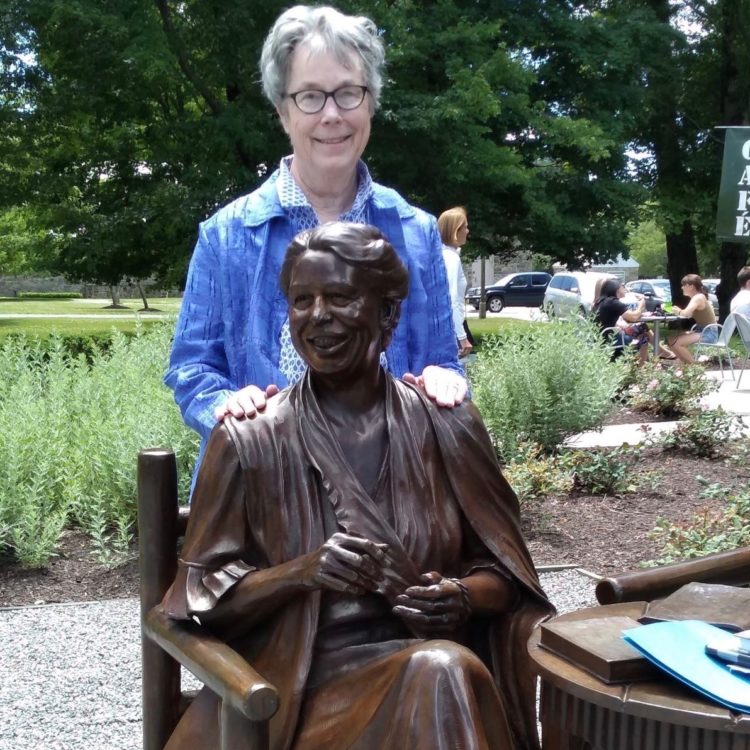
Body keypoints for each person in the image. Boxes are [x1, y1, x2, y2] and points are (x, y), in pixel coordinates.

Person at [160, 223, 554, 750]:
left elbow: (506, 577)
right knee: (441, 672)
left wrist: (460, 597)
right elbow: (196, 600)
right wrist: (302, 573)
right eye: (303, 300)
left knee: (440, 670)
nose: (318, 315)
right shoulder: (251, 437)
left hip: (433, 670)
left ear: (388, 314)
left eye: (341, 297)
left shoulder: (447, 426)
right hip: (296, 691)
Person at [164, 5, 466, 479]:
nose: (332, 115)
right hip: (263, 496)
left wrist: (444, 380)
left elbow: (442, 360)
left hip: (393, 490)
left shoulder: (415, 230)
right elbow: (191, 369)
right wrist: (224, 404)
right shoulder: (226, 235)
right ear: (283, 111)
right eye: (310, 96)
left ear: (370, 103)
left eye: (348, 93)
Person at [438, 207, 473, 358]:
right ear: (455, 230)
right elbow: (451, 300)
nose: (467, 231)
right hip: (449, 333)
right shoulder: (451, 258)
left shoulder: (444, 255)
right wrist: (462, 337)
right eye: (464, 227)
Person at [593, 279, 650, 362]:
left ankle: (663, 354)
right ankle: (642, 368)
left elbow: (628, 318)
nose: (625, 289)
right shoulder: (612, 302)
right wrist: (641, 305)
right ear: (617, 289)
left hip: (601, 338)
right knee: (644, 337)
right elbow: (633, 317)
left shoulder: (601, 301)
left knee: (643, 327)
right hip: (611, 340)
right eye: (622, 286)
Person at [667, 273, 718, 364]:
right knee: (671, 341)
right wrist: (680, 311)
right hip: (702, 330)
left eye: (684, 285)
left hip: (708, 332)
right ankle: (686, 368)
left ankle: (694, 370)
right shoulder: (697, 297)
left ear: (691, 286)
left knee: (676, 343)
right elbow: (689, 315)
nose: (682, 287)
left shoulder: (698, 297)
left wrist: (678, 311)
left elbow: (686, 314)